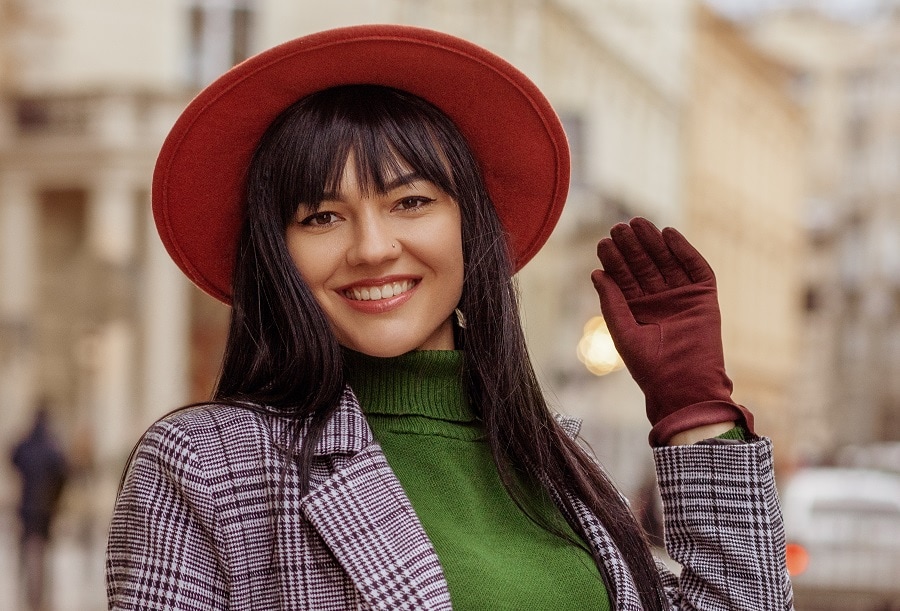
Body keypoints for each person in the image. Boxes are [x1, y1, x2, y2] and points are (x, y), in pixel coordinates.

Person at [106, 24, 793, 610]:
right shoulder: (208, 465)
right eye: (321, 216)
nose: (373, 248)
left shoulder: (559, 463)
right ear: (277, 252)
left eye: (410, 202)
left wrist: (695, 412)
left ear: (470, 226)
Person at [12, 402, 69, 611]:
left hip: (27, 506)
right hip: (45, 508)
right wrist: (56, 497)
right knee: (44, 552)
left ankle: (28, 594)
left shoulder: (26, 444)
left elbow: (13, 457)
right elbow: (63, 472)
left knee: (27, 550)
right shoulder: (51, 446)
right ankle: (41, 595)